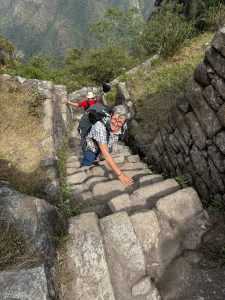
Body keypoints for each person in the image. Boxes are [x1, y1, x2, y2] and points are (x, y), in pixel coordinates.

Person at [79, 103, 133, 186]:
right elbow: (106, 154)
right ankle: (85, 167)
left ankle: (97, 157)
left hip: (105, 138)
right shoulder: (99, 126)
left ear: (124, 122)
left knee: (107, 149)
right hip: (89, 140)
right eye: (114, 119)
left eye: (120, 122)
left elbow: (109, 145)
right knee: (90, 156)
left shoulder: (123, 125)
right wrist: (120, 175)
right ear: (111, 115)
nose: (115, 123)